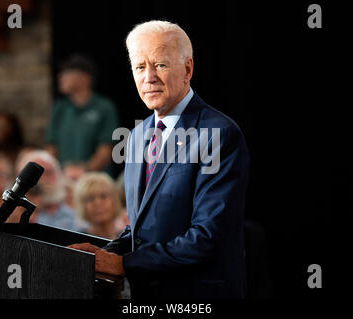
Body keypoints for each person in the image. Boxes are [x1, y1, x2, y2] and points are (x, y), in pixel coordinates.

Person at [69, 21, 250, 299]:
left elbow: (207, 236)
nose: (149, 77)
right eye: (140, 67)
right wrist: (104, 254)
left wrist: (123, 264)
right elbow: (142, 228)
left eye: (160, 65)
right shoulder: (137, 135)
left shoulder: (218, 133)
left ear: (188, 69)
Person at [45, 54, 119, 173]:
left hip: (94, 181)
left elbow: (106, 149)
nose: (60, 77)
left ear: (85, 78)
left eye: (67, 72)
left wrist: (83, 170)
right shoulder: (60, 108)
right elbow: (51, 148)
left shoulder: (104, 107)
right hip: (64, 179)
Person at [15, 150, 87, 232]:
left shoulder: (78, 215)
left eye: (49, 173)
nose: (43, 180)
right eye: (37, 175)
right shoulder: (16, 217)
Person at [73, 172, 124, 239]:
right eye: (91, 198)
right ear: (82, 205)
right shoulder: (77, 242)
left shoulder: (129, 241)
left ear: (114, 199)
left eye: (103, 196)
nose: (98, 203)